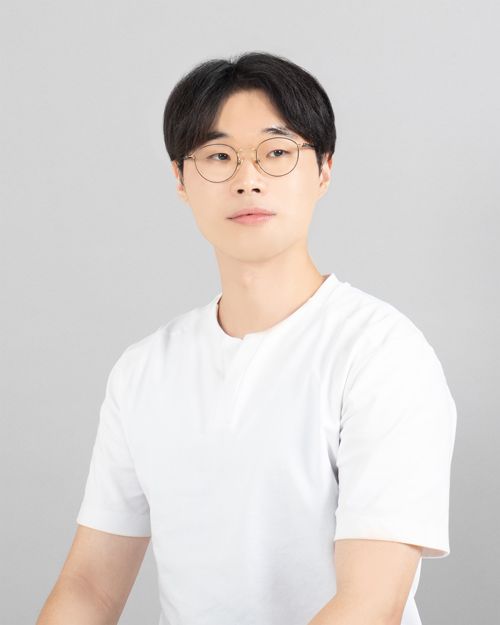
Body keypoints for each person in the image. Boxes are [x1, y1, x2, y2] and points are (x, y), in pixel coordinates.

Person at [36, 51, 457, 625]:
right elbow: (89, 587)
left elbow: (369, 604)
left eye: (277, 153)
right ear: (180, 180)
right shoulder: (143, 370)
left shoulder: (381, 354)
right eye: (218, 156)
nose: (247, 179)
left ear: (324, 169)